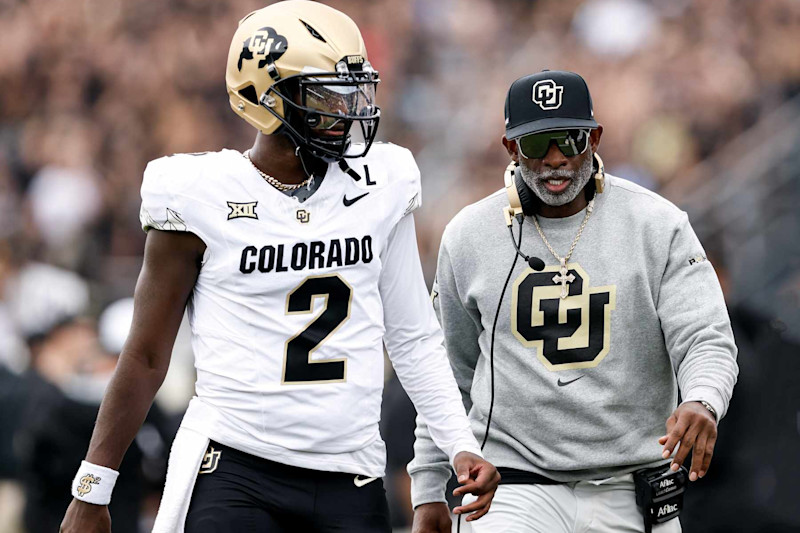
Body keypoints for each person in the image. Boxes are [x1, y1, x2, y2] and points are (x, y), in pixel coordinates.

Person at [59, 2, 499, 532]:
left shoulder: (382, 182)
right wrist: (93, 486)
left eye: (352, 88)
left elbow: (411, 336)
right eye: (325, 92)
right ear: (263, 98)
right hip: (235, 465)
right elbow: (148, 355)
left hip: (348, 470)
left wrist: (458, 444)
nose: (347, 107)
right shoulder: (200, 197)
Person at [408, 70, 738, 533]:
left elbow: (705, 337)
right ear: (510, 148)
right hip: (512, 485)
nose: (555, 159)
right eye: (537, 144)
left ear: (595, 138)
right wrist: (427, 487)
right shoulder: (469, 235)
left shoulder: (657, 224)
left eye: (569, 138)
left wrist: (703, 399)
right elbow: (447, 376)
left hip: (632, 484)